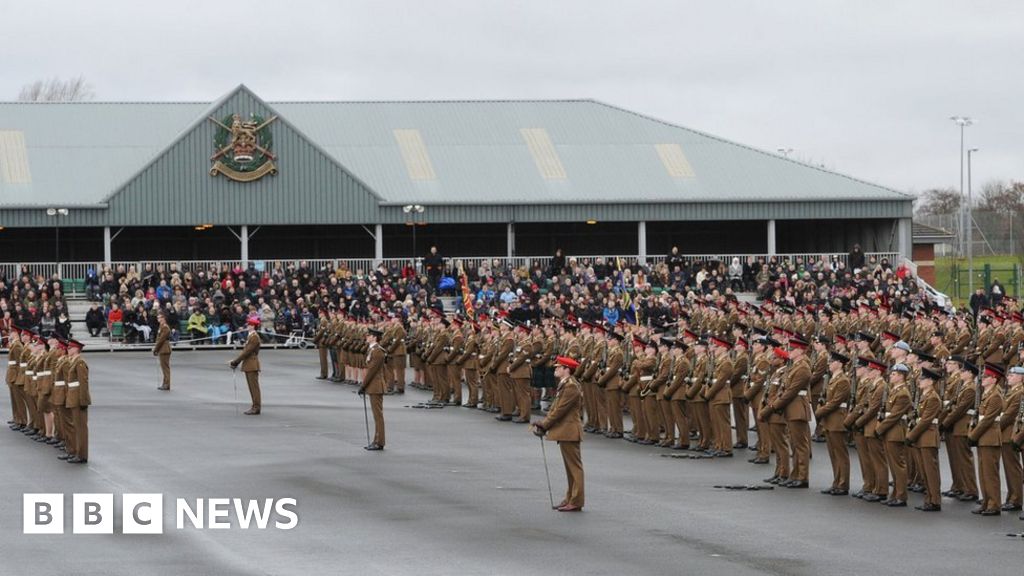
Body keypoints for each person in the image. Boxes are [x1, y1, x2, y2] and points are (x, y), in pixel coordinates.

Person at [532, 355, 584, 512]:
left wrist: (545, 424)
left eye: (558, 367)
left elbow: (560, 410)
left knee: (575, 468)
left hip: (570, 430)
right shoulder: (566, 384)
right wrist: (544, 423)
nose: (555, 369)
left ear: (567, 370)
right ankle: (570, 497)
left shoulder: (571, 387)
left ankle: (576, 500)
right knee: (570, 468)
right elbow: (555, 408)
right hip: (566, 430)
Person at [968, 363, 1004, 516]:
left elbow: (988, 420)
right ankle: (986, 501)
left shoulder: (996, 396)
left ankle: (994, 504)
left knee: (990, 473)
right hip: (983, 437)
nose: (982, 378)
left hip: (989, 437)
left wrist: (973, 435)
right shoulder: (986, 393)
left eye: (986, 376)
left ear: (994, 379)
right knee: (983, 472)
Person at [360, 328, 387, 451]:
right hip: (373, 385)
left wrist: (363, 386)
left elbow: (372, 371)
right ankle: (376, 440)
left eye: (369, 335)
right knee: (376, 416)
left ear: (374, 337)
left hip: (375, 386)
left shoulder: (377, 352)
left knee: (378, 416)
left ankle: (379, 441)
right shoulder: (372, 350)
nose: (367, 337)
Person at [229, 318, 263, 415]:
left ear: (253, 326)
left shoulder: (254, 337)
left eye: (250, 324)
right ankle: (255, 406)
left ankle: (256, 407)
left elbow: (246, 352)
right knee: (252, 387)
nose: (248, 326)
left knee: (254, 387)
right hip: (249, 364)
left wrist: (235, 362)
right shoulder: (251, 336)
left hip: (252, 364)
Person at [64, 339, 90, 464]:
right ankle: (76, 452)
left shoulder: (79, 363)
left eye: (70, 348)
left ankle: (82, 455)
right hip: (73, 397)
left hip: (78, 399)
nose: (68, 350)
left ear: (76, 349)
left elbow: (83, 383)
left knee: (80, 428)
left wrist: (83, 401)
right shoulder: (73, 362)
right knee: (76, 427)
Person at [153, 315, 172, 391]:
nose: (158, 319)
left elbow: (161, 339)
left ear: (163, 319)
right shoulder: (161, 326)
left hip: (164, 349)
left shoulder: (165, 327)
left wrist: (155, 349)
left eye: (160, 318)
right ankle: (165, 383)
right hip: (162, 349)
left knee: (165, 368)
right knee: (164, 368)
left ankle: (167, 384)